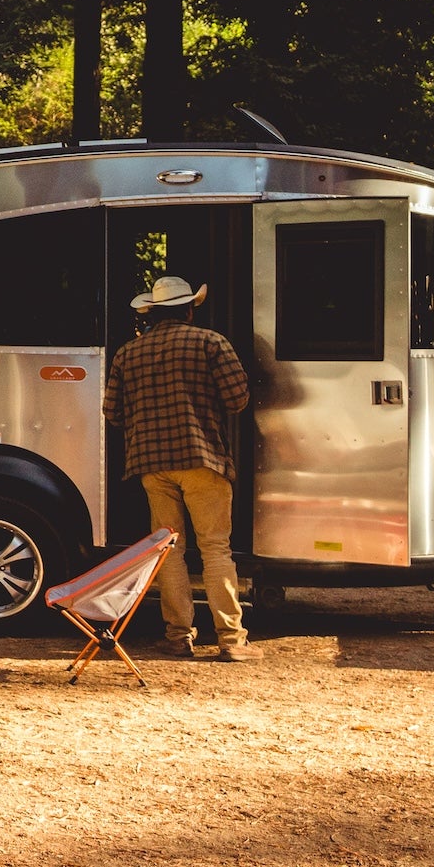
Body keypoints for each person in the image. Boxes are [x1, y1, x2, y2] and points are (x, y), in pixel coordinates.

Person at [107, 274, 255, 659]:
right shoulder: (210, 343)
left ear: (153, 313)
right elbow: (238, 397)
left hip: (152, 465)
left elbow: (112, 412)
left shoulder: (128, 353)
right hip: (202, 458)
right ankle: (231, 640)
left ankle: (178, 636)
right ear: (190, 309)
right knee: (215, 548)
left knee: (170, 551)